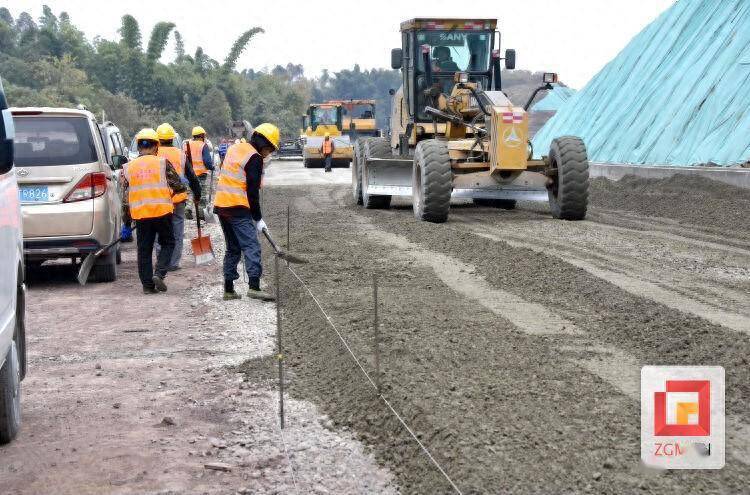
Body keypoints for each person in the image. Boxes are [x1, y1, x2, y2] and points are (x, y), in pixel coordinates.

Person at [213, 123, 280, 301]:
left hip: (221, 205)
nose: (269, 153)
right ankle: (254, 287)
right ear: (264, 144)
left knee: (233, 247)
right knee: (251, 245)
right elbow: (252, 192)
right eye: (270, 149)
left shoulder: (236, 148)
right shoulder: (254, 157)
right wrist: (258, 219)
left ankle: (228, 290)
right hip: (237, 207)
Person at [120, 128, 186, 294]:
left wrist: (126, 224)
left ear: (138, 146)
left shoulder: (128, 168)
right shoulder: (162, 163)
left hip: (141, 215)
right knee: (169, 243)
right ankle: (160, 273)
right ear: (156, 146)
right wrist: (170, 193)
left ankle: (148, 286)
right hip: (162, 213)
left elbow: (125, 200)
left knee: (144, 250)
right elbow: (178, 186)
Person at [156, 122, 202, 271]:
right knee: (177, 230)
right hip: (178, 199)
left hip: (160, 201)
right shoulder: (180, 154)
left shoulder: (154, 153)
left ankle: (161, 260)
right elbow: (193, 177)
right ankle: (173, 263)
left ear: (158, 139)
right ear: (172, 138)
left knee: (160, 231)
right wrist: (197, 195)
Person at [184, 125, 215, 215]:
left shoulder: (187, 145)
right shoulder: (203, 145)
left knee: (190, 191)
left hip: (189, 173)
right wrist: (211, 167)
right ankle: (201, 213)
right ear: (202, 135)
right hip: (200, 174)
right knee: (201, 192)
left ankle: (188, 207)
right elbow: (207, 161)